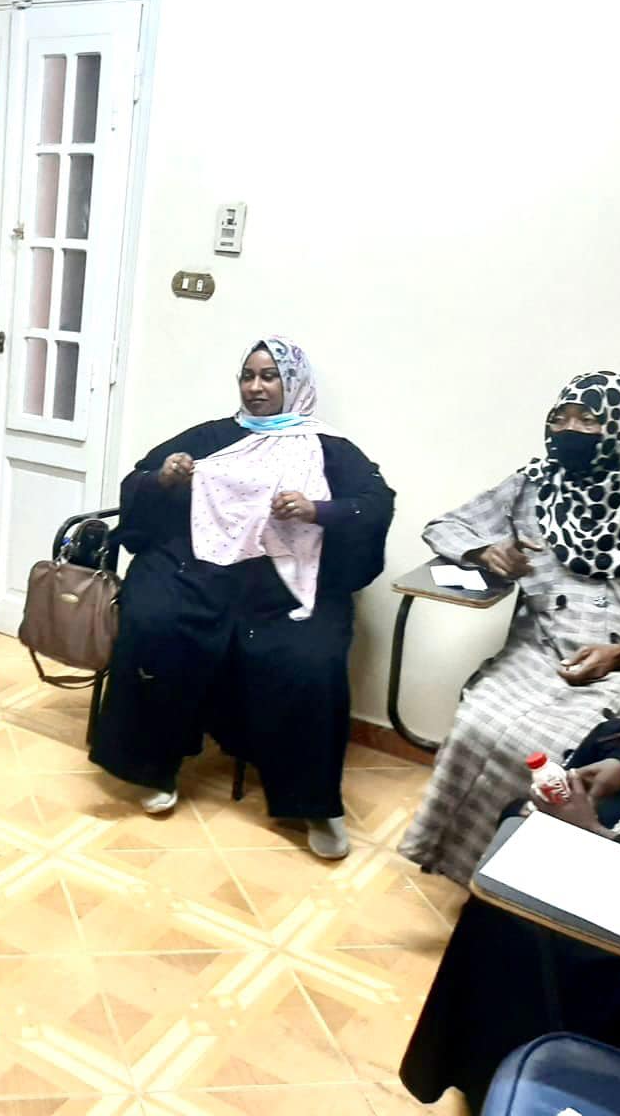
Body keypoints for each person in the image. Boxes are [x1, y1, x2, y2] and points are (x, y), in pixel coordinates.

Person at [89, 337, 394, 859]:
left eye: (269, 376)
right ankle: (152, 767)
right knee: (156, 621)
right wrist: (163, 479)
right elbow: (140, 479)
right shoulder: (212, 436)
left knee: (310, 659)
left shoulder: (328, 448)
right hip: (199, 570)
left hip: (283, 585)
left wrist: (317, 510)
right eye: (248, 376)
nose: (256, 387)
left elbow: (374, 503)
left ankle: (313, 802)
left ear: (293, 384)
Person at [400, 371, 620, 885]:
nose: (570, 431)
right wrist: (486, 550)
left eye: (588, 420)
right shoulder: (536, 484)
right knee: (479, 722)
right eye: (560, 420)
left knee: (554, 750)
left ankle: (522, 885)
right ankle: (459, 866)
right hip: (539, 651)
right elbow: (446, 525)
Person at [400, 698, 620, 1112]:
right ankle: (477, 1073)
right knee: (522, 820)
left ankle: (487, 1080)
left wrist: (596, 836)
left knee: (511, 910)